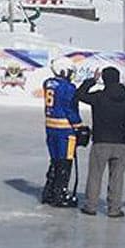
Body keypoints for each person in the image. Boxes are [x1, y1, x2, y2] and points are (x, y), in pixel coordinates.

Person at [76, 67, 125, 217]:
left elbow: (79, 95)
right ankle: (114, 209)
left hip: (101, 143)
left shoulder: (99, 97)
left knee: (95, 175)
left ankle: (91, 206)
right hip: (121, 144)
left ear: (104, 79)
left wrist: (92, 81)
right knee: (117, 178)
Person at [41, 60, 86, 207]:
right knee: (65, 162)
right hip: (65, 130)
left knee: (55, 161)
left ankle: (49, 191)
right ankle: (60, 194)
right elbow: (70, 108)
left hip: (50, 127)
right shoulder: (68, 87)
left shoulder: (48, 83)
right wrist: (79, 126)